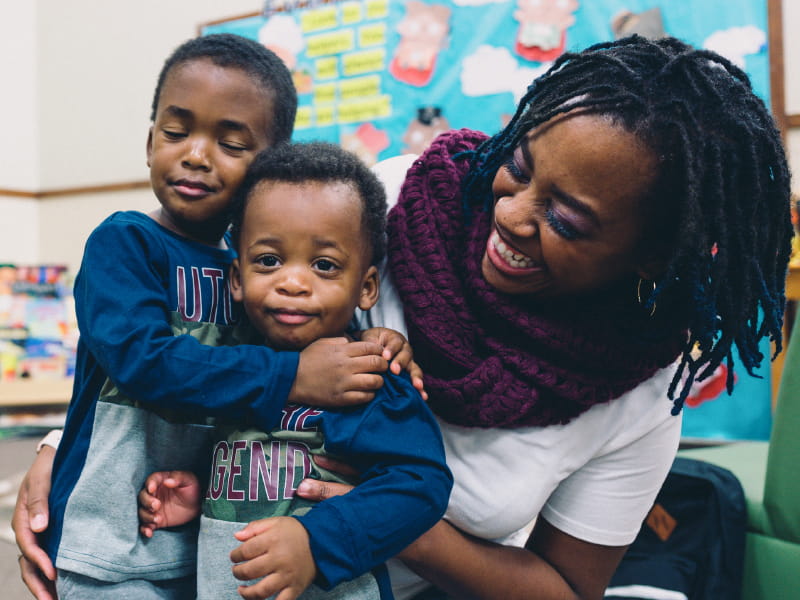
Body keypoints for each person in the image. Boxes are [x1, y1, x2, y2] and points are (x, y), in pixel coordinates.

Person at [16, 34, 793, 600]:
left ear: (650, 258)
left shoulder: (639, 390)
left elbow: (563, 586)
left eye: (567, 219)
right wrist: (75, 442)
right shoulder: (379, 202)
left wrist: (376, 514)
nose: (511, 216)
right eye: (517, 168)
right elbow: (204, 300)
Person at [14, 34, 419, 600]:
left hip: (203, 536)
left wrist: (371, 339)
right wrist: (293, 377)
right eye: (177, 132)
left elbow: (307, 334)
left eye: (231, 143)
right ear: (151, 137)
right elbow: (143, 363)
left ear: (268, 164)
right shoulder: (124, 244)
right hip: (107, 544)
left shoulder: (257, 271)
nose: (197, 155)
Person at [137, 141, 452, 600]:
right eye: (269, 260)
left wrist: (314, 542)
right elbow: (255, 463)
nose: (293, 281)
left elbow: (422, 485)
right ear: (238, 278)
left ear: (366, 287)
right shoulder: (231, 367)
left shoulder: (362, 376)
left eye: (324, 265)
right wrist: (203, 495)